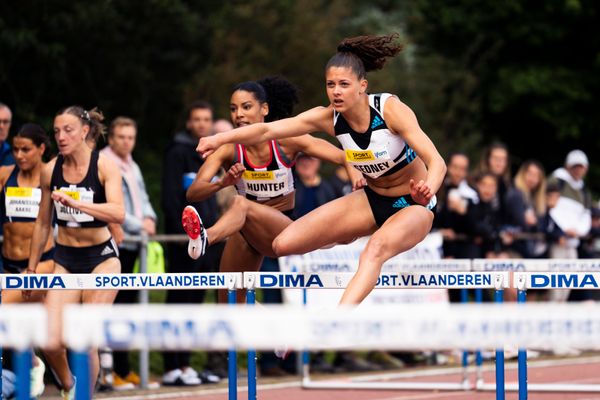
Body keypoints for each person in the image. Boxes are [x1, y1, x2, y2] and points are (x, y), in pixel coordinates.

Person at [195, 34, 446, 306]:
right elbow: (267, 129)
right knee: (283, 244)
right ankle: (341, 237)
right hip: (372, 199)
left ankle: (334, 324)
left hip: (412, 204)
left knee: (374, 250)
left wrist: (427, 189)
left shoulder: (389, 110)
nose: (336, 91)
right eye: (330, 84)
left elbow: (437, 162)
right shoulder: (328, 117)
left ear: (363, 86)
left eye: (344, 84)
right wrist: (219, 139)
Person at [184, 76, 360, 304]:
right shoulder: (228, 149)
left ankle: (206, 238)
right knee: (229, 303)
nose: (238, 114)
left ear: (264, 109)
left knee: (240, 204)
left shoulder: (288, 140)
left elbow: (345, 156)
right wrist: (222, 183)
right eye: (233, 109)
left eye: (246, 107)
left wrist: (357, 176)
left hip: (282, 228)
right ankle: (273, 339)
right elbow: (193, 192)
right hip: (246, 230)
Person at [26, 106, 125, 399]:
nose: (61, 136)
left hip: (102, 259)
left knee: (85, 338)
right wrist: (32, 269)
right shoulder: (50, 170)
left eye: (68, 130)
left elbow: (118, 213)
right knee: (51, 339)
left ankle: (85, 396)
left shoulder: (104, 166)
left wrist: (77, 203)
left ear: (84, 131)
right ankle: (69, 385)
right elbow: (43, 222)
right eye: (56, 131)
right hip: (66, 260)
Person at [161, 100, 222, 386]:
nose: (201, 124)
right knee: (178, 300)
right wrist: (185, 237)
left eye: (206, 119)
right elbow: (172, 199)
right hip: (182, 244)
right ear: (189, 123)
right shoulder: (176, 153)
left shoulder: (211, 155)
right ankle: (171, 365)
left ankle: (186, 364)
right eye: (196, 119)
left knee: (197, 302)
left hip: (208, 241)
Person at [99, 117, 158, 390]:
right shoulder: (103, 162)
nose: (126, 141)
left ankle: (124, 368)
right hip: (116, 241)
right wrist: (140, 225)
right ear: (111, 138)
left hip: (135, 243)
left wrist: (151, 219)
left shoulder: (132, 164)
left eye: (130, 137)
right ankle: (110, 372)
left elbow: (143, 198)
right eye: (121, 137)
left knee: (129, 306)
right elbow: (109, 205)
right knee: (114, 307)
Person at [0, 123, 52, 398]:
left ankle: (40, 368)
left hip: (43, 261)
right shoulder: (5, 175)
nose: (19, 155)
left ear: (41, 149)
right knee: (20, 323)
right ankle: (33, 364)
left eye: (26, 150)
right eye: (16, 149)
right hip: (8, 262)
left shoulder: (51, 175)